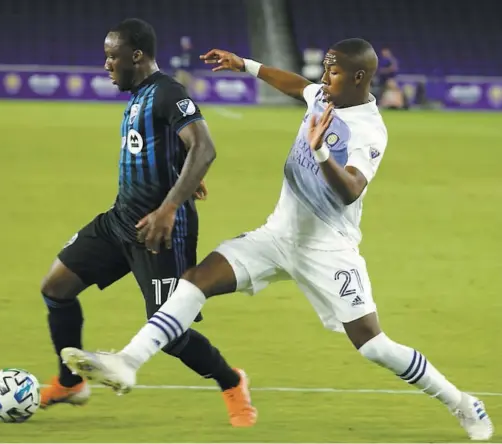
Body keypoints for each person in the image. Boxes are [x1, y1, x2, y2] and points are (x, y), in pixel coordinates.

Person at [60, 38, 493, 440]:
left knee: (375, 347)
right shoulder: (323, 95)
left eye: (334, 72)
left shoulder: (369, 129)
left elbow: (351, 191)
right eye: (325, 70)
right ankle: (128, 362)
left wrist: (321, 151)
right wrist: (243, 64)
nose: (325, 80)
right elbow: (297, 86)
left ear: (360, 78)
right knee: (195, 280)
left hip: (328, 250)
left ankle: (461, 402)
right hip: (277, 235)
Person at [40, 18, 256, 428]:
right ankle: (71, 382)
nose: (106, 64)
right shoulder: (139, 95)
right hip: (121, 220)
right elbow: (171, 147)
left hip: (160, 232)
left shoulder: (167, 92)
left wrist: (170, 206)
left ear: (136, 56)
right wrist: (182, 174)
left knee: (171, 334)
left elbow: (204, 147)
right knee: (56, 288)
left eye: (112, 56)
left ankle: (231, 381)